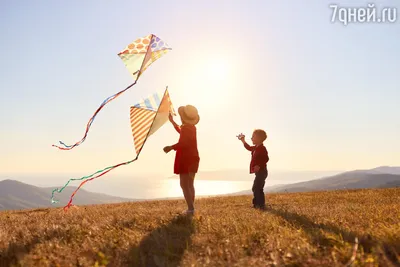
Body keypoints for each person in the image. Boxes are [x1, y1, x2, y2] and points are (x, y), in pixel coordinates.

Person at [164, 105, 200, 214]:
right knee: (190, 184)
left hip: (186, 159)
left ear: (183, 117)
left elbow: (184, 143)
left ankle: (191, 209)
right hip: (193, 158)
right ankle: (191, 208)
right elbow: (181, 132)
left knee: (184, 184)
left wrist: (171, 147)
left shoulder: (186, 128)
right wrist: (172, 122)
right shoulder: (191, 128)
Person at [237, 129, 269, 210]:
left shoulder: (262, 148)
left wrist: (259, 165)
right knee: (257, 188)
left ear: (259, 138)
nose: (251, 138)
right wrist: (243, 141)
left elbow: (266, 158)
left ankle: (258, 205)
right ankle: (259, 205)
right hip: (259, 172)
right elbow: (248, 148)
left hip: (262, 172)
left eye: (253, 137)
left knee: (256, 187)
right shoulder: (255, 148)